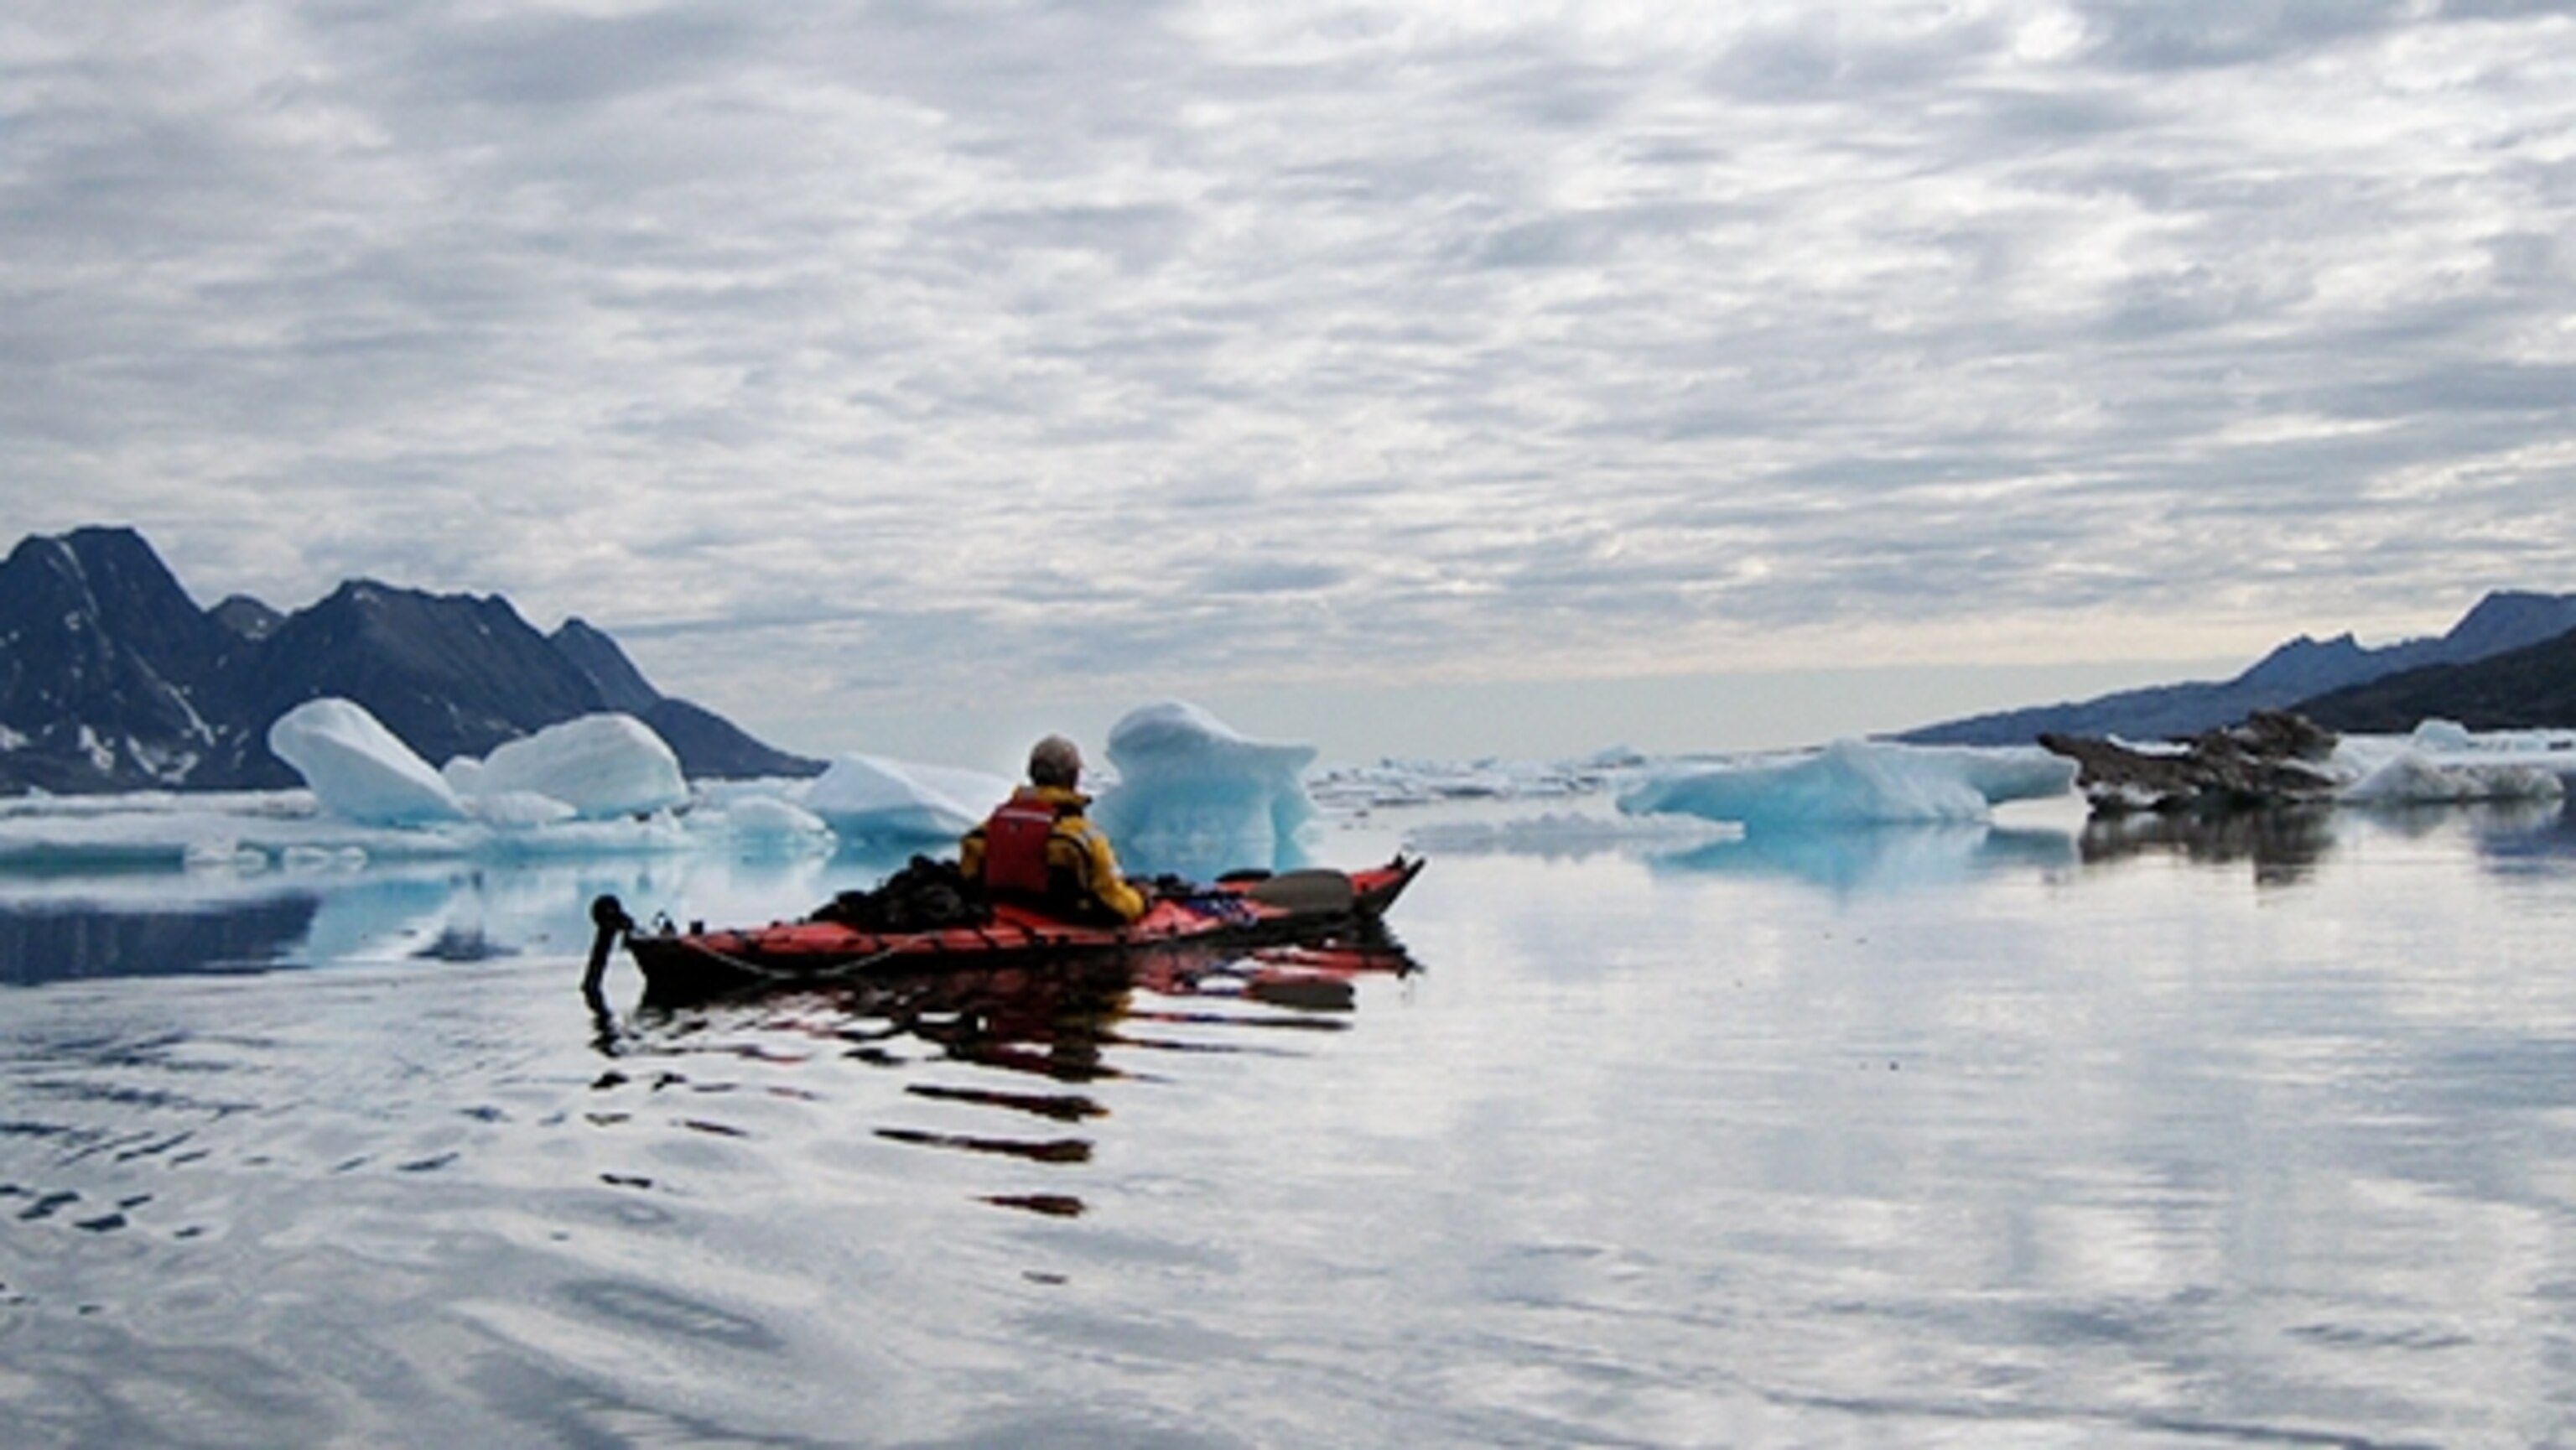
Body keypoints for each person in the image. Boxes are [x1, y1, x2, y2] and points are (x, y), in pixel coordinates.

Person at [959, 735, 1148, 922]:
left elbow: (968, 875)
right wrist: (1142, 900)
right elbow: (1112, 899)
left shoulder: (991, 827)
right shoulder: (1081, 835)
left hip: (1001, 915)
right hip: (1065, 921)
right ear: (1072, 776)